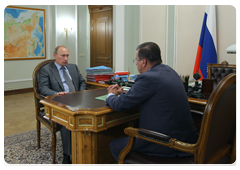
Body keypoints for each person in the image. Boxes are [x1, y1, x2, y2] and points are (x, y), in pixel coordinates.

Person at [106, 42, 197, 161]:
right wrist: (127, 93)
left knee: (114, 145)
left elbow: (121, 104)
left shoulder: (147, 78)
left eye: (136, 60)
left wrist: (111, 95)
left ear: (144, 62)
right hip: (186, 138)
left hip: (165, 142)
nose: (136, 63)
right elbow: (154, 93)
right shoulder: (169, 71)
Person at [38, 45, 86, 165]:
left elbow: (82, 82)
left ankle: (84, 148)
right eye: (63, 55)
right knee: (67, 122)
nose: (66, 58)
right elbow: (42, 88)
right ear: (55, 56)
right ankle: (67, 155)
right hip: (58, 104)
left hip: (76, 102)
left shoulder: (73, 67)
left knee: (88, 117)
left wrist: (80, 93)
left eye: (67, 55)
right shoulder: (46, 70)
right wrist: (56, 94)